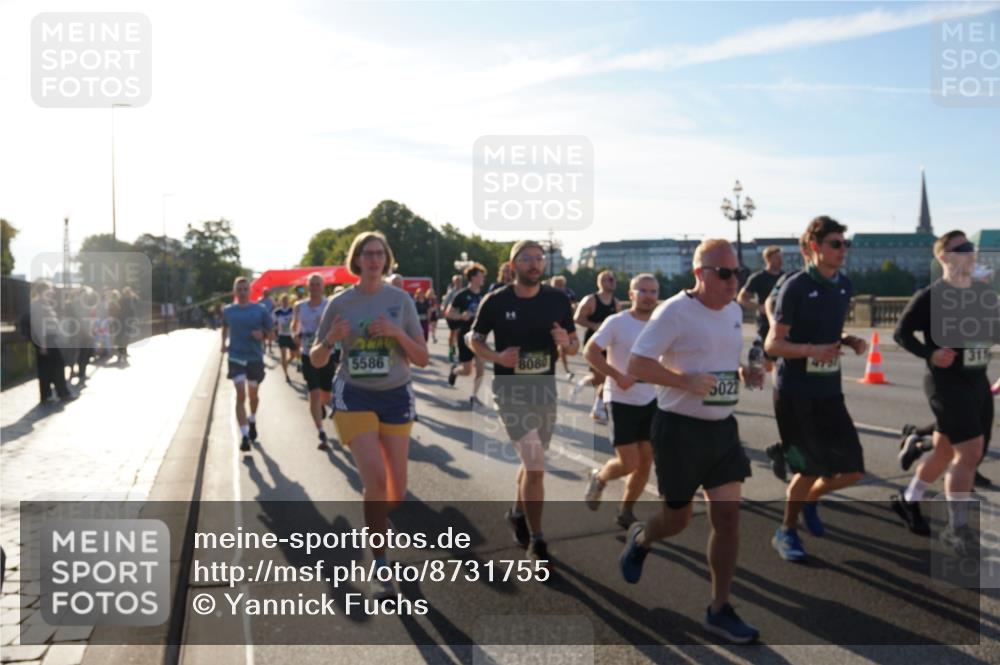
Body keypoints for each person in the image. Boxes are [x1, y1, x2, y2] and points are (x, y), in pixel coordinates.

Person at [619, 239, 760, 644]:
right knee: (677, 521)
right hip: (679, 429)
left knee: (728, 518)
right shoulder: (674, 312)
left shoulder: (733, 310)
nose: (735, 281)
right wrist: (684, 381)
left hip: (722, 429)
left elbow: (716, 359)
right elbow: (636, 363)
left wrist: (742, 373)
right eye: (725, 273)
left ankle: (719, 609)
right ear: (700, 274)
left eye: (738, 272)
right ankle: (642, 538)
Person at [312, 232, 427, 599]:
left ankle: (377, 521)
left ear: (386, 259)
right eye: (368, 254)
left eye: (380, 253)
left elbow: (422, 358)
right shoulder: (340, 303)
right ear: (357, 260)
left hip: (395, 395)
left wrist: (395, 333)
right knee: (375, 481)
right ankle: (380, 559)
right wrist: (330, 339)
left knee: (396, 491)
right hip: (354, 394)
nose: (375, 260)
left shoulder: (401, 301)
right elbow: (316, 358)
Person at [469, 240, 579, 567]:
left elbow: (573, 344)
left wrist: (567, 344)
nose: (534, 264)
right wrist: (496, 356)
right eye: (527, 259)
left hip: (544, 388)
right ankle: (538, 540)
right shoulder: (496, 300)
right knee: (535, 463)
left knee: (533, 462)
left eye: (539, 259)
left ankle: (517, 513)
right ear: (513, 265)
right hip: (510, 389)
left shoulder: (558, 299)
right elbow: (472, 338)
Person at [765, 216, 867, 562]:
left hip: (829, 390)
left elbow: (826, 332)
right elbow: (773, 345)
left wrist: (847, 339)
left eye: (845, 244)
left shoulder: (844, 285)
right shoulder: (795, 287)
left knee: (853, 469)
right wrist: (812, 351)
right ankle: (786, 531)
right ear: (813, 248)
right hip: (794, 391)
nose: (843, 251)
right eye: (835, 244)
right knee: (807, 470)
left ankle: (810, 498)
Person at [890, 230, 998, 552]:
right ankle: (957, 528)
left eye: (971, 248)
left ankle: (908, 500)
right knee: (970, 453)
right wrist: (931, 353)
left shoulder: (982, 292)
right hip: (946, 382)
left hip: (977, 380)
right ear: (943, 257)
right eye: (961, 248)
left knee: (944, 451)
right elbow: (901, 333)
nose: (969, 253)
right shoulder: (931, 296)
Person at [583, 274, 659, 528]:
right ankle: (600, 478)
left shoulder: (662, 324)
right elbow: (590, 351)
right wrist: (617, 376)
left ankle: (626, 510)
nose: (649, 296)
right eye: (643, 290)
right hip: (620, 397)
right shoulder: (616, 322)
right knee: (629, 462)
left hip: (651, 398)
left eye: (653, 291)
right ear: (631, 294)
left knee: (646, 459)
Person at [221, 277, 273, 452]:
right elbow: (224, 327)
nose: (242, 293)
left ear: (250, 292)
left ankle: (252, 419)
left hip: (254, 359)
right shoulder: (228, 311)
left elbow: (272, 333)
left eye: (245, 289)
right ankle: (244, 436)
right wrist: (223, 344)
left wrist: (263, 336)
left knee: (253, 396)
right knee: (240, 395)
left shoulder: (260, 310)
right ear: (235, 292)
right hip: (235, 357)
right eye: (239, 289)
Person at [294, 273, 337, 450]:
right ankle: (320, 432)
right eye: (312, 284)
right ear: (308, 286)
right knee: (314, 393)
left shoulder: (330, 305)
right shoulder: (300, 306)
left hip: (327, 353)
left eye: (318, 284)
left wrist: (324, 325)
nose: (315, 288)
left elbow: (337, 325)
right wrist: (295, 334)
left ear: (323, 286)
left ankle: (322, 405)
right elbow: (294, 325)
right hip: (307, 354)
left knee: (326, 395)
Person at [573, 270, 620, 422]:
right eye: (609, 280)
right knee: (602, 376)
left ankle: (597, 407)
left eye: (613, 280)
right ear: (601, 282)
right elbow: (577, 318)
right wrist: (593, 325)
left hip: (610, 344)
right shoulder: (591, 300)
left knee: (607, 376)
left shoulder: (616, 303)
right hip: (593, 344)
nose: (612, 282)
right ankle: (595, 402)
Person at [26, 280, 75, 404]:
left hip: (49, 340)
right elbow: (38, 325)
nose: (52, 291)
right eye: (50, 289)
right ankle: (60, 394)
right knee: (55, 366)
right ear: (43, 291)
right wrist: (42, 344)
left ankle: (50, 395)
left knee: (49, 368)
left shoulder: (43, 304)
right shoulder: (38, 305)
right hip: (46, 340)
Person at [446, 263, 487, 407]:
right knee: (467, 370)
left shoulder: (484, 297)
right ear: (473, 277)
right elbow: (449, 313)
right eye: (481, 276)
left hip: (480, 337)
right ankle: (455, 371)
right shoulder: (462, 295)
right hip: (465, 336)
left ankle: (474, 396)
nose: (483, 279)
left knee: (481, 368)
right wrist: (462, 316)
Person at [738, 245, 784, 373]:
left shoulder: (785, 278)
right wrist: (759, 307)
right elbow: (742, 298)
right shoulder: (758, 278)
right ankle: (757, 373)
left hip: (783, 323)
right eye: (777, 258)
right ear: (767, 259)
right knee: (767, 365)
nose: (781, 261)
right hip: (764, 324)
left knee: (780, 364)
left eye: (781, 258)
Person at [550, 275, 576, 377]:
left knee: (563, 346)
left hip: (565, 321)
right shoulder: (547, 293)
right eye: (556, 285)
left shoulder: (568, 293)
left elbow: (574, 303)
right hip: (551, 321)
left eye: (560, 285)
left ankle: (566, 369)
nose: (558, 287)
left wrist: (571, 312)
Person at [273, 294, 296, 383]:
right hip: (282, 336)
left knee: (294, 354)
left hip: (291, 336)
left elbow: (297, 320)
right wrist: (276, 330)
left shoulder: (292, 310)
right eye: (283, 300)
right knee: (283, 356)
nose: (285, 302)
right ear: (280, 301)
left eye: (286, 300)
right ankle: (286, 375)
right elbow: (273, 324)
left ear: (288, 301)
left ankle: (286, 363)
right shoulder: (277, 312)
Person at [442, 274, 464, 363]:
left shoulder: (464, 291)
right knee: (452, 333)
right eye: (456, 281)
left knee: (459, 334)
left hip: (461, 315)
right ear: (454, 282)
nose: (458, 282)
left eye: (459, 281)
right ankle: (451, 351)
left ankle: (459, 352)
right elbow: (445, 303)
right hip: (452, 314)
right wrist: (444, 311)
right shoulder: (451, 292)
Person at [259, 287, 276, 354]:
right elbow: (259, 309)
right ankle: (264, 348)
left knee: (269, 335)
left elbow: (274, 307)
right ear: (263, 293)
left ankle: (270, 348)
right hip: (262, 320)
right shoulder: (260, 300)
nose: (266, 293)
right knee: (263, 335)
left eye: (267, 292)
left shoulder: (271, 300)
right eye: (265, 292)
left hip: (269, 319)